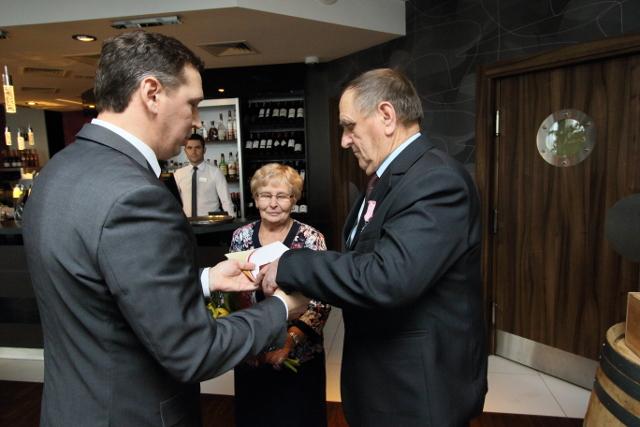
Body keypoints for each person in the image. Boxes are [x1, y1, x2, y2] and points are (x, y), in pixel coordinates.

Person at [22, 31, 307, 427]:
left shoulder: (56, 170)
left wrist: (206, 279)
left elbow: (105, 291)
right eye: (192, 103)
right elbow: (193, 351)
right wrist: (281, 308)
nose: (196, 121)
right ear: (152, 93)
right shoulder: (136, 196)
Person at [261, 68, 488, 427]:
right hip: (385, 384)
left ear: (386, 116)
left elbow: (388, 277)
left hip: (417, 392)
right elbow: (362, 264)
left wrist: (290, 265)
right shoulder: (386, 180)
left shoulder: (435, 179)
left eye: (349, 126)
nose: (344, 141)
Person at [229, 163, 330, 427]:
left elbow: (321, 301)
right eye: (265, 195)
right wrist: (244, 340)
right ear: (255, 199)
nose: (273, 203)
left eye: (282, 196)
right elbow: (234, 292)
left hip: (299, 356)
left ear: (294, 200)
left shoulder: (311, 239)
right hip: (252, 354)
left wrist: (289, 340)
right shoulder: (240, 237)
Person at [174, 133, 236, 217]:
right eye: (189, 148)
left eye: (197, 147)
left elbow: (226, 201)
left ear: (204, 150)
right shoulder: (178, 174)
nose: (193, 151)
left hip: (211, 222)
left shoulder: (216, 172)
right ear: (185, 151)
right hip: (186, 222)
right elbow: (172, 201)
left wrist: (231, 220)